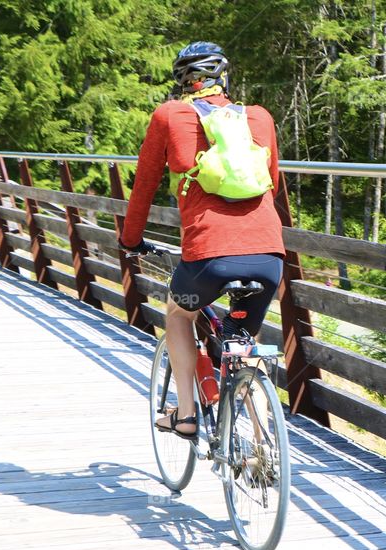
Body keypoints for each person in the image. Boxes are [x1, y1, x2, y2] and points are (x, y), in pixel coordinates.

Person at [118, 42, 285, 439]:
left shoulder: (170, 115)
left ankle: (187, 415)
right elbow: (273, 184)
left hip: (209, 258)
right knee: (242, 338)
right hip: (268, 256)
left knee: (179, 313)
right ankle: (265, 443)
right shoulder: (259, 117)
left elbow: (144, 185)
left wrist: (130, 241)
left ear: (183, 82)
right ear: (223, 77)